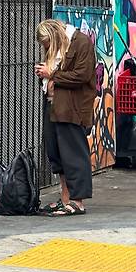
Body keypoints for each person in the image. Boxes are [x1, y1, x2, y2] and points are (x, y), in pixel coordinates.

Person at [34, 19, 96, 216]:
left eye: (47, 44)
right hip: (54, 105)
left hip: (72, 107)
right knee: (57, 154)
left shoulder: (81, 43)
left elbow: (82, 75)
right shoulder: (60, 46)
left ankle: (77, 201)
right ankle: (66, 198)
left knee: (74, 154)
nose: (47, 48)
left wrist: (52, 74)